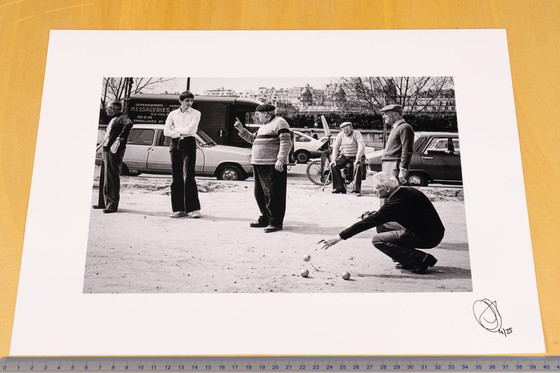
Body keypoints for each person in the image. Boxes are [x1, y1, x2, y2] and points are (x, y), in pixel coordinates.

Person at [318, 172, 444, 274]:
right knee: (382, 226)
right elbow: (386, 216)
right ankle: (405, 258)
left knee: (378, 240)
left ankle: (420, 260)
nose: (374, 191)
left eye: (377, 188)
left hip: (428, 237)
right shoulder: (406, 192)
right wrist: (375, 215)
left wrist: (338, 238)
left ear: (387, 188)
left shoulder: (395, 203)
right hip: (431, 230)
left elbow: (367, 223)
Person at [233, 104, 292, 233]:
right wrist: (242, 129)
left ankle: (275, 222)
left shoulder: (280, 122)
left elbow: (286, 142)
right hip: (259, 164)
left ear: (266, 113)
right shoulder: (264, 126)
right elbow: (253, 139)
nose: (257, 117)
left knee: (273, 194)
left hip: (272, 164)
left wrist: (280, 159)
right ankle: (265, 218)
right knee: (260, 194)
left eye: (258, 114)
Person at [164, 91, 202, 219]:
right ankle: (178, 209)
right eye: (187, 101)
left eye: (191, 101)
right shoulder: (172, 114)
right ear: (180, 101)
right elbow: (165, 131)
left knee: (189, 176)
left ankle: (193, 209)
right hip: (175, 145)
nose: (190, 103)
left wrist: (175, 131)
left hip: (189, 144)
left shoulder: (196, 114)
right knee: (176, 177)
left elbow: (191, 130)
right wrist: (179, 133)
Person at [93, 100, 133, 213]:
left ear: (115, 108)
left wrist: (120, 138)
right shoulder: (114, 118)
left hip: (114, 150)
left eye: (109, 108)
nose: (106, 110)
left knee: (111, 177)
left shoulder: (122, 117)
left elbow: (129, 123)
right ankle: (103, 203)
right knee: (104, 177)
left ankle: (112, 205)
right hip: (107, 149)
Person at [380, 104, 414, 184]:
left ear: (396, 115)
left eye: (386, 114)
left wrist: (403, 170)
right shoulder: (396, 128)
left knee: (393, 191)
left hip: (395, 164)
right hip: (389, 164)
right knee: (387, 190)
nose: (383, 117)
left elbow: (407, 150)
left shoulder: (405, 128)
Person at [329, 122, 366, 195]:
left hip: (357, 156)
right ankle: (339, 187)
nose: (345, 131)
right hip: (345, 156)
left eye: (347, 129)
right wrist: (333, 159)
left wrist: (358, 158)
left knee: (358, 166)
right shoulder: (340, 135)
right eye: (343, 130)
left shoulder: (357, 133)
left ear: (351, 128)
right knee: (333, 165)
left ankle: (356, 190)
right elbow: (336, 148)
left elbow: (361, 146)